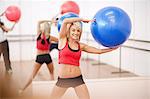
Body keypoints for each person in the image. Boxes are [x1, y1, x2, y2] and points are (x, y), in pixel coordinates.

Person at [50, 17, 119, 99]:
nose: (76, 33)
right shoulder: (62, 41)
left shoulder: (81, 46)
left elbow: (99, 51)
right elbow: (65, 21)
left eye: (78, 31)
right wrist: (81, 19)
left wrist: (112, 48)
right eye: (73, 30)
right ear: (69, 31)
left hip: (77, 79)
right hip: (63, 80)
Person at [19, 20, 58, 93]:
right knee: (52, 74)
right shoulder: (49, 37)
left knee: (32, 75)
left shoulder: (39, 34)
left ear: (42, 28)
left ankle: (22, 89)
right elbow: (59, 40)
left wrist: (50, 21)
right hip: (47, 56)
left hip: (39, 57)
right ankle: (54, 91)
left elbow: (39, 22)